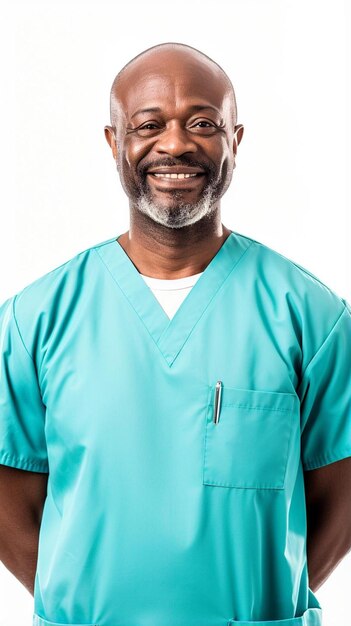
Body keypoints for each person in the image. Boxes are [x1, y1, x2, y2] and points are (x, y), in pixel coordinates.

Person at [0, 41, 350, 626]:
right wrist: (85, 598)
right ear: (115, 142)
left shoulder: (311, 317)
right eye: (148, 124)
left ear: (236, 140)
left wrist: (259, 598)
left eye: (204, 123)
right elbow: (10, 497)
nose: (175, 144)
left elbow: (340, 496)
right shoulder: (33, 320)